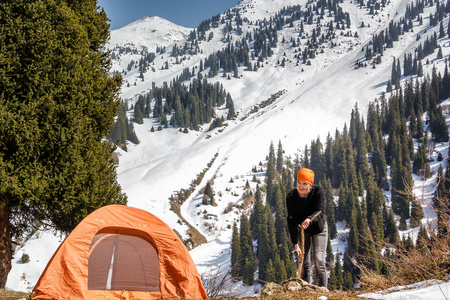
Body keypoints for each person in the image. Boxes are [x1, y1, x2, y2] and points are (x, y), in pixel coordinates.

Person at [286, 168, 328, 287]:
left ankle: (322, 291)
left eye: (305, 184)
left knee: (319, 260)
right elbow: (291, 220)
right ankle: (306, 290)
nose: (301, 186)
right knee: (303, 261)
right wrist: (295, 244)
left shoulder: (318, 192)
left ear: (310, 184)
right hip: (302, 231)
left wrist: (309, 219)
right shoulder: (291, 196)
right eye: (299, 182)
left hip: (319, 229)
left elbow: (320, 210)